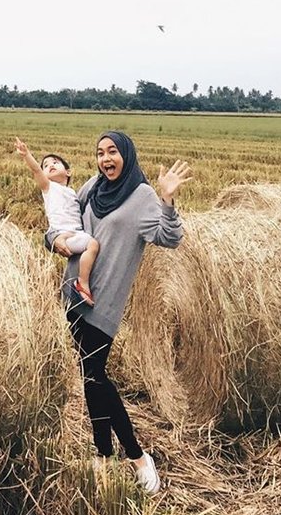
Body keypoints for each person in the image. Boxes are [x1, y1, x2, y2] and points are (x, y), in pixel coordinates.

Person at [46, 130, 192, 495]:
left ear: (126, 154)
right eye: (100, 153)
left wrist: (168, 200)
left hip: (105, 301)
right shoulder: (93, 187)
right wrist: (54, 240)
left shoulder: (141, 195)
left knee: (95, 375)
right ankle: (103, 453)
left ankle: (138, 456)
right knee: (91, 377)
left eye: (112, 151)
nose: (105, 159)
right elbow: (61, 222)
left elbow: (170, 237)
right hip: (75, 292)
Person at [14, 138, 99, 305]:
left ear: (68, 172)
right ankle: (82, 283)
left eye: (55, 162)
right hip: (62, 234)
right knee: (93, 245)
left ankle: (81, 280)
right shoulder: (48, 188)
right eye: (46, 165)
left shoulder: (72, 193)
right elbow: (36, 170)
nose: (50, 165)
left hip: (75, 233)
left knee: (92, 245)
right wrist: (26, 155)